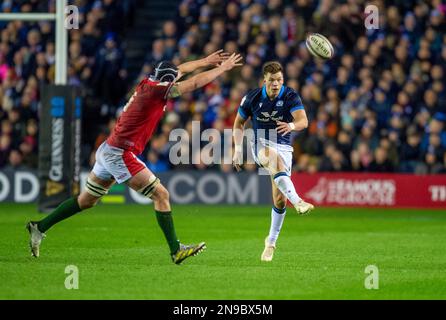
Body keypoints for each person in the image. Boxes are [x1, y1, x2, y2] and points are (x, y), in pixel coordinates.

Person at [27, 50, 243, 264]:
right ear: (165, 82)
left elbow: (181, 70)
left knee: (86, 201)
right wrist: (222, 69)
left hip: (109, 149)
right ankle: (176, 250)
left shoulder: (149, 82)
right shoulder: (158, 92)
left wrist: (205, 61)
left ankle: (39, 227)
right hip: (120, 153)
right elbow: (193, 84)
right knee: (161, 195)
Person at [232, 61, 314, 262]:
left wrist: (292, 126)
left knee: (279, 199)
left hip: (285, 147)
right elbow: (238, 123)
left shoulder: (290, 95)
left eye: (279, 80)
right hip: (261, 144)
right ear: (264, 81)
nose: (276, 84)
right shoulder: (252, 97)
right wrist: (237, 149)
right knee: (273, 159)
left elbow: (304, 121)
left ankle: (271, 242)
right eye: (272, 81)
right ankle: (299, 202)